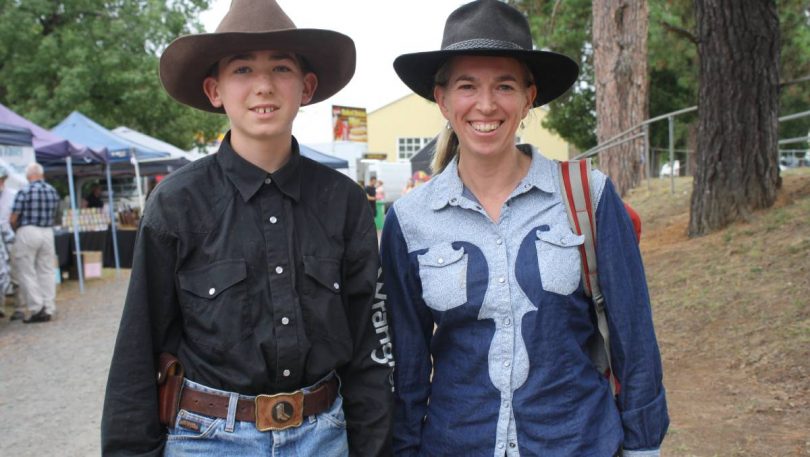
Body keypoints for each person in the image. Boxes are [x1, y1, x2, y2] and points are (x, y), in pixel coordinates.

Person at [101, 0, 393, 455]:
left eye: (280, 68)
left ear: (307, 87)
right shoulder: (177, 204)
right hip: (207, 439)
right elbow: (138, 348)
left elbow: (369, 349)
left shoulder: (345, 203)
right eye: (241, 70)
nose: (263, 86)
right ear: (215, 90)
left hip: (325, 437)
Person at [380, 1, 668, 456]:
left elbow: (635, 337)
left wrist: (644, 444)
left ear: (529, 96)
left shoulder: (589, 198)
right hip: (458, 443)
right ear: (443, 99)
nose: (487, 104)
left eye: (505, 85)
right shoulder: (410, 220)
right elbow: (408, 364)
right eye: (467, 85)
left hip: (576, 442)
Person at [9, 162, 60, 324]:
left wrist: (16, 228)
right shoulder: (52, 191)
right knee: (46, 270)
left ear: (29, 175)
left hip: (28, 230)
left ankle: (36, 308)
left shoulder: (25, 191)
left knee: (26, 271)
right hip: (47, 232)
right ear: (41, 174)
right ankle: (49, 306)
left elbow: (13, 217)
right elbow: (57, 214)